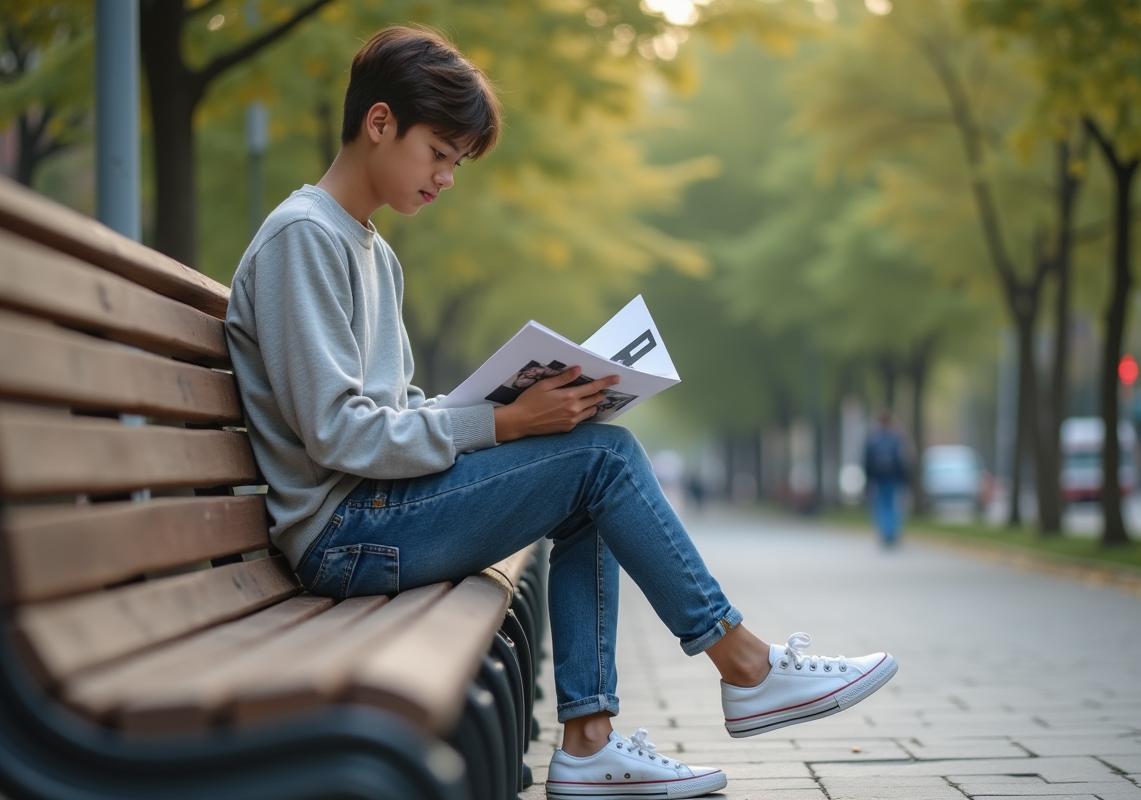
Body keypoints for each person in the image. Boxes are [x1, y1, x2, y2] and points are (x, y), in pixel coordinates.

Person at [225, 26, 897, 800]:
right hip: (345, 535)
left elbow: (395, 409)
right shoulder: (304, 238)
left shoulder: (372, 249)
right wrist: (501, 425)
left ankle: (589, 742)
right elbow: (340, 433)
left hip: (376, 511)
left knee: (588, 460)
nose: (446, 178)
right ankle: (742, 665)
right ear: (380, 123)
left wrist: (502, 404)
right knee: (602, 462)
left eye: (457, 163)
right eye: (439, 153)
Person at [863, 409, 909, 547]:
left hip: (878, 479)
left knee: (880, 505)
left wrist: (868, 479)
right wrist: (904, 478)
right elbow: (903, 460)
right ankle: (892, 532)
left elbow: (867, 461)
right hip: (894, 478)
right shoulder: (897, 439)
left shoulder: (873, 440)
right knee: (893, 505)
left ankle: (884, 532)